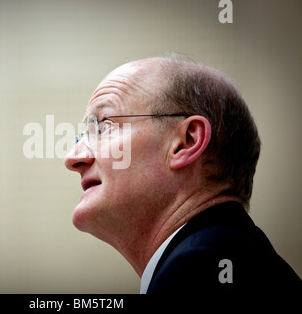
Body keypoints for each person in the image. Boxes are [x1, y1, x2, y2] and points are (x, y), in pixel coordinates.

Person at [64, 56, 300, 296]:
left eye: (103, 127)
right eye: (81, 136)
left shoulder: (198, 268)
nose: (73, 157)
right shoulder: (231, 254)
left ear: (186, 142)